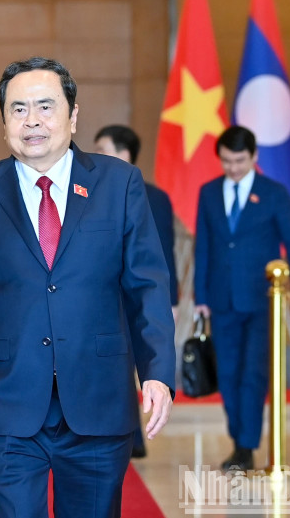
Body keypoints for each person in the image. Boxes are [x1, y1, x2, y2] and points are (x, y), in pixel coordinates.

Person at [0, 57, 175, 518]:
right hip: (8, 403)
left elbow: (147, 286)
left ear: (73, 115)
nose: (32, 121)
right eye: (18, 109)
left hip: (97, 401)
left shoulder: (118, 183)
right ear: (4, 122)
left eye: (46, 107)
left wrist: (157, 371)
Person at [194, 125, 290, 472]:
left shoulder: (273, 193)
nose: (233, 168)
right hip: (221, 300)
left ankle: (246, 446)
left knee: (253, 374)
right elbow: (204, 247)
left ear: (254, 156)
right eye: (227, 161)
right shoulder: (209, 192)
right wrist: (201, 295)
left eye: (240, 161)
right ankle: (239, 442)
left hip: (262, 302)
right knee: (228, 373)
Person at [94, 124, 178, 459]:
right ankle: (130, 436)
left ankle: (134, 435)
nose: (96, 155)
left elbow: (164, 252)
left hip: (140, 299)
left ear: (123, 154)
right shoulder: (92, 192)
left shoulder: (155, 197)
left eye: (102, 149)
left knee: (139, 364)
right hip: (106, 300)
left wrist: (170, 301)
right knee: (117, 367)